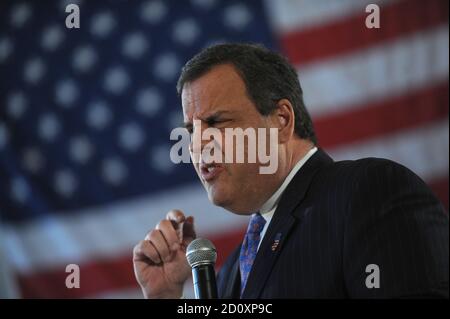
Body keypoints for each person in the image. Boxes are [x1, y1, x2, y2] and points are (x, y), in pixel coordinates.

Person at [133, 43, 449, 299]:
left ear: (281, 120)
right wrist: (165, 296)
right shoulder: (231, 273)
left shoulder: (369, 192)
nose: (197, 145)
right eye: (191, 130)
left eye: (216, 122)